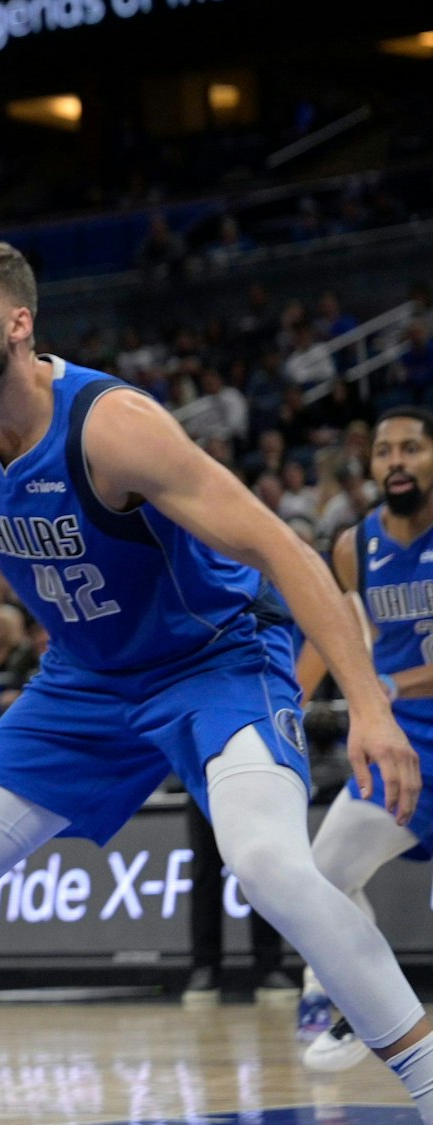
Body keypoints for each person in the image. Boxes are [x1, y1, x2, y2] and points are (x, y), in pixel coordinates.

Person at [0, 238, 433, 1125]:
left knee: (272, 865)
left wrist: (367, 702)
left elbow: (279, 546)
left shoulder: (112, 424)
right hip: (84, 685)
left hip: (213, 663)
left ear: (19, 324)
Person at [295, 406, 433, 1070]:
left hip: (401, 707)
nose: (397, 461)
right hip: (405, 743)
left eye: (412, 448)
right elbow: (339, 630)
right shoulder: (355, 545)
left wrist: (391, 685)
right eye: (384, 452)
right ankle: (366, 1010)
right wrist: (287, 699)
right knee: (320, 875)